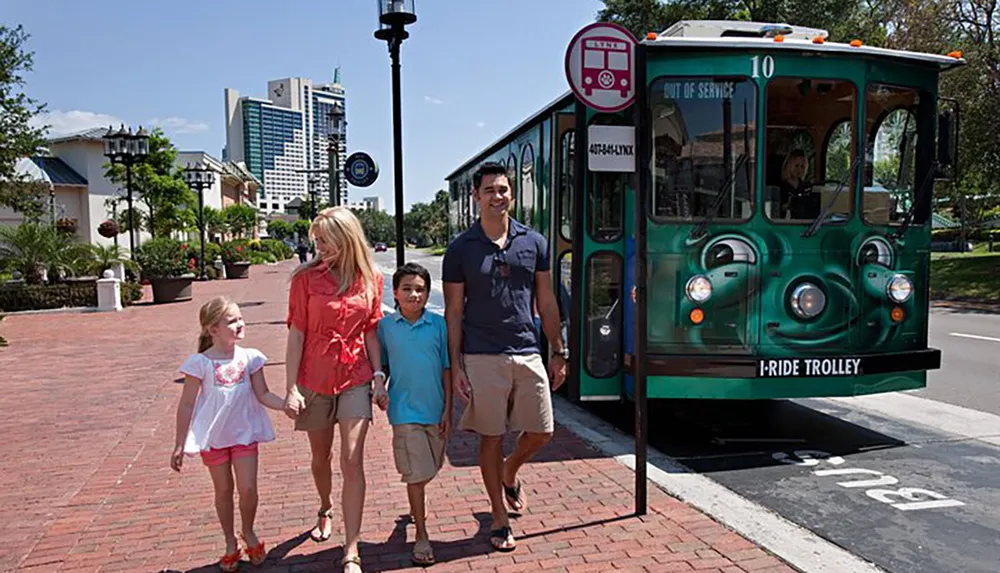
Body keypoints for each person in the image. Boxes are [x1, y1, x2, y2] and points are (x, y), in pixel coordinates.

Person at [442, 161, 568, 552]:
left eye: (503, 189)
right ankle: (498, 517)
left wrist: (558, 350)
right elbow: (454, 312)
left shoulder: (534, 242)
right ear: (476, 197)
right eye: (490, 190)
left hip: (527, 350)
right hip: (481, 355)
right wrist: (457, 363)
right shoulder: (460, 249)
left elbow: (546, 301)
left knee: (543, 431)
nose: (498, 196)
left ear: (511, 194)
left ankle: (511, 471)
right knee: (491, 438)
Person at [282, 206, 387, 573]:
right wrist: (291, 387)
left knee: (352, 459)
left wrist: (377, 375)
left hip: (356, 375)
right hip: (314, 377)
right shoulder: (305, 280)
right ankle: (325, 506)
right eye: (318, 240)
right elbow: (296, 334)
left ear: (347, 237)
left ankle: (352, 549)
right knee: (320, 458)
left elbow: (371, 329)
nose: (321, 246)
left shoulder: (371, 277)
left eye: (327, 240)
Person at [171, 296, 286, 572]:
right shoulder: (199, 363)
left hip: (244, 433)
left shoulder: (250, 358)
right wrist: (179, 444)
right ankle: (229, 541)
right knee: (223, 490)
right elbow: (186, 404)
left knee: (247, 488)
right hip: (213, 438)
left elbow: (263, 394)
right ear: (213, 330)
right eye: (231, 320)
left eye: (239, 318)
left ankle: (248, 531)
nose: (239, 324)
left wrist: (287, 406)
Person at [376, 262, 452, 566]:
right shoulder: (385, 327)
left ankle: (410, 513)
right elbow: (380, 367)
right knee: (417, 476)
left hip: (435, 410)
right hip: (403, 412)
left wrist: (448, 408)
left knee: (430, 468)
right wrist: (378, 386)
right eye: (407, 288)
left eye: (420, 289)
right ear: (395, 292)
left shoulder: (438, 325)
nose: (414, 294)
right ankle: (421, 535)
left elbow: (447, 367)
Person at [779, 149, 819, 219]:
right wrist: (788, 205)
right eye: (796, 166)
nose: (799, 170)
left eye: (802, 167)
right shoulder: (780, 185)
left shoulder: (807, 186)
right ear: (789, 165)